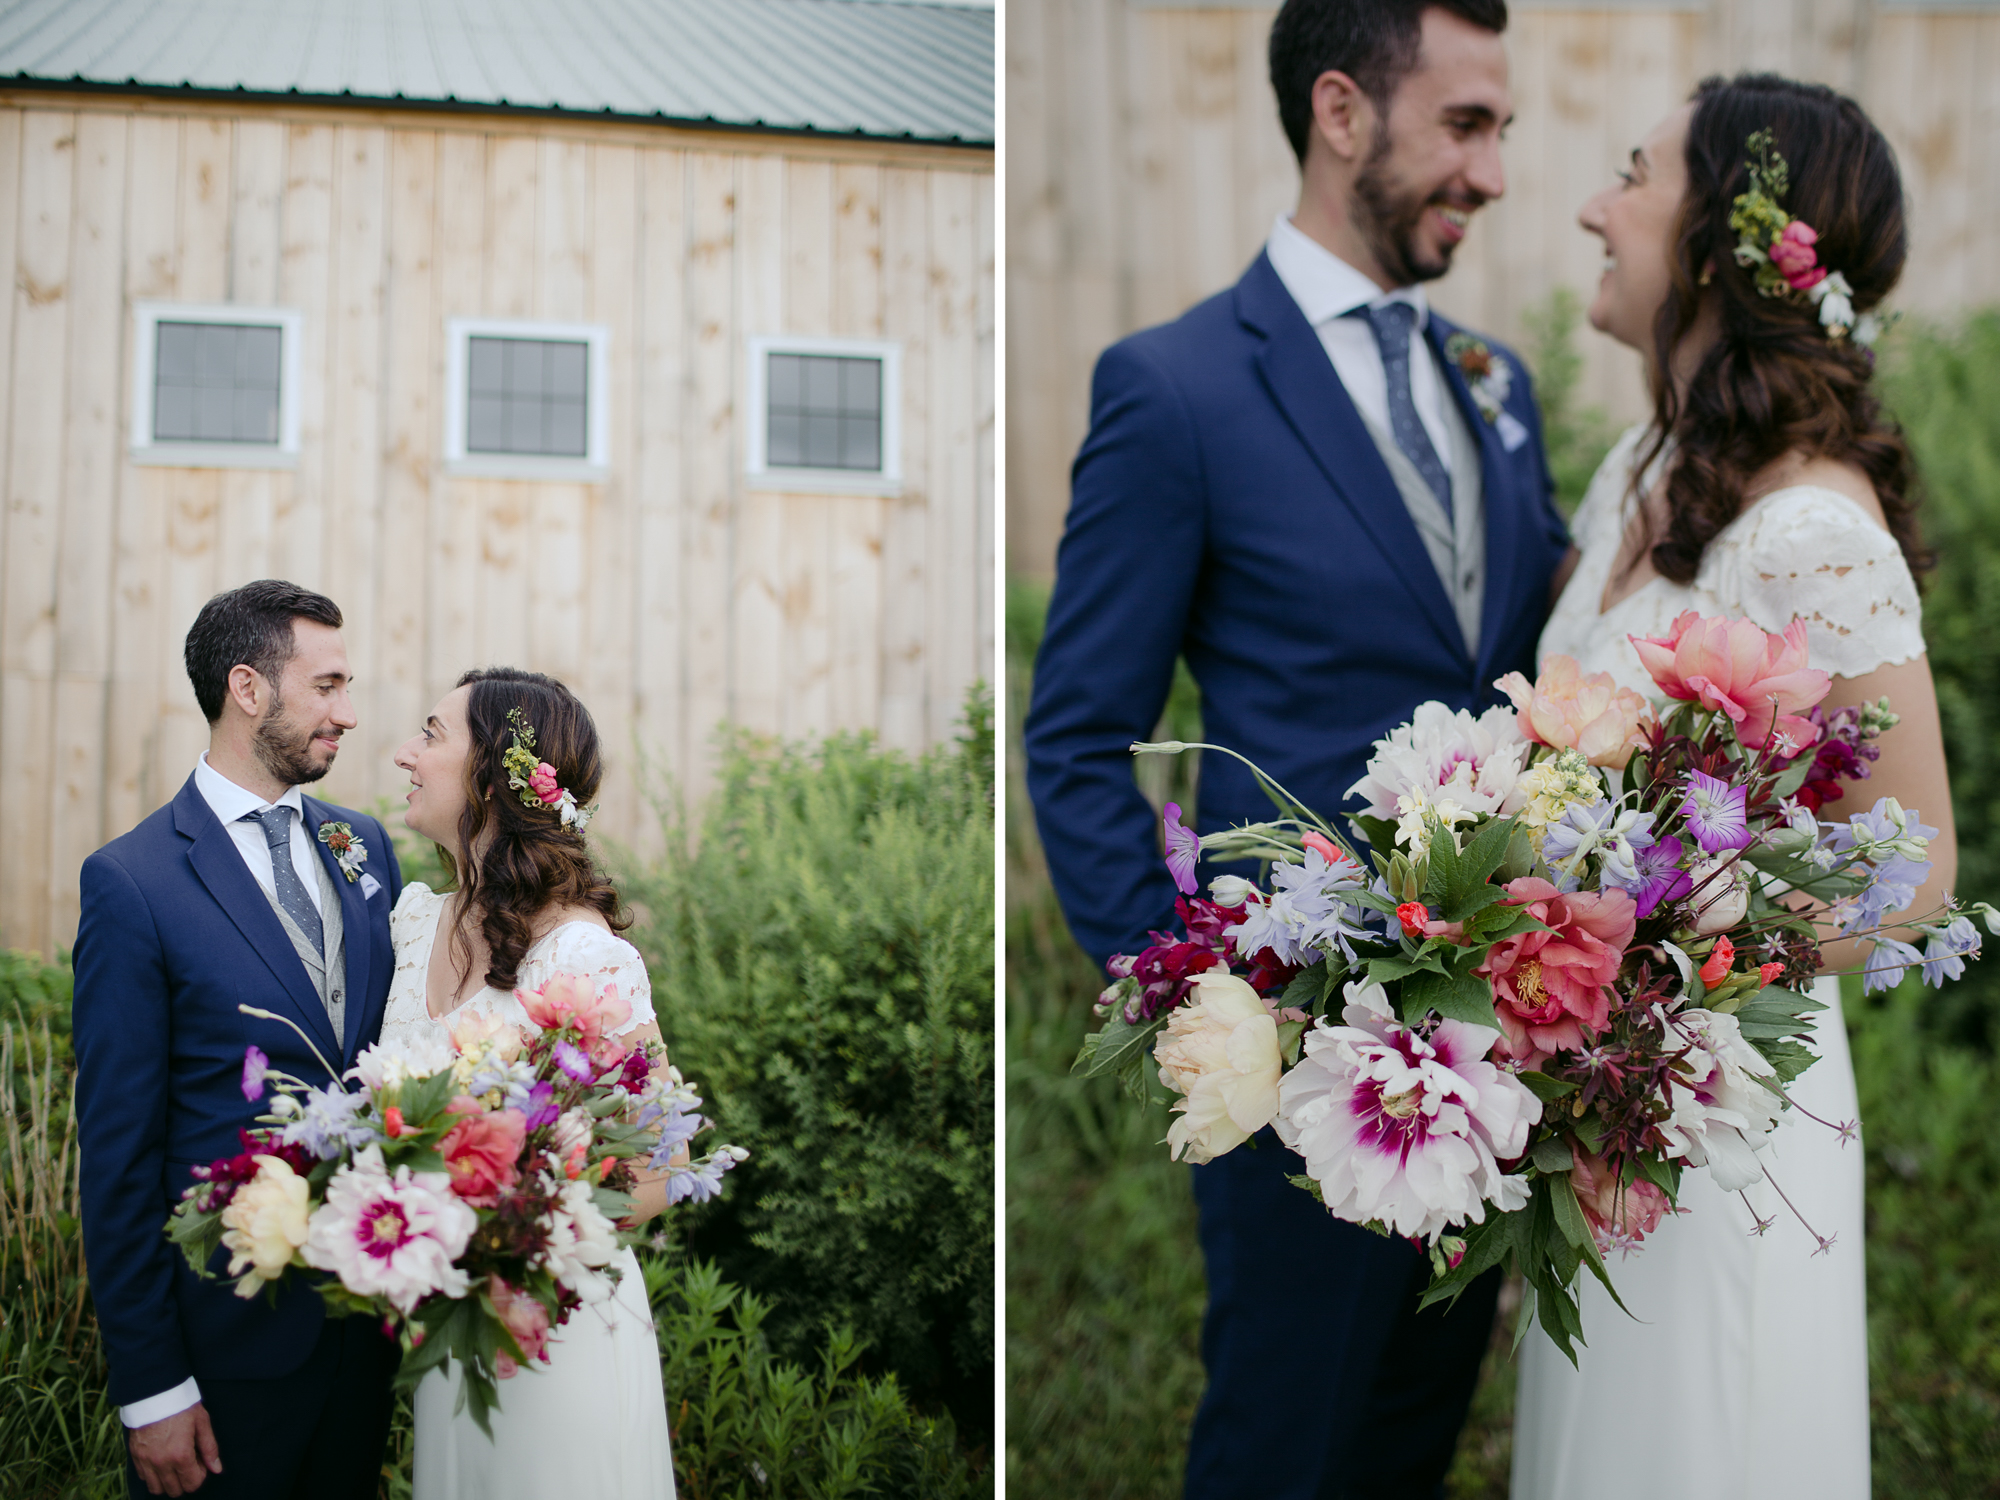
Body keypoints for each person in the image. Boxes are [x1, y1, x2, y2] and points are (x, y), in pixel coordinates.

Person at [1022, 1, 1571, 1492]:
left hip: (1494, 1047)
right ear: (1343, 113)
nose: (1497, 170)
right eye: (1467, 125)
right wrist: (1203, 998)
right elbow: (1076, 738)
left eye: (1501, 129)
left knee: (1411, 1436)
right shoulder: (1179, 387)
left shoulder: (1495, 388)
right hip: (1302, 1058)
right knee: (1285, 1446)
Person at [1512, 73, 1955, 1498]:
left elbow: (1919, 865)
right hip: (1604, 1113)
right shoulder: (1639, 470)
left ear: (1714, 244)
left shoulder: (1814, 531)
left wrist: (1654, 969)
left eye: (1629, 175)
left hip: (1719, 1121)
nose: (1592, 203)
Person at [74, 580, 405, 1499]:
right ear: (248, 688)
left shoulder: (363, 846)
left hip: (362, 1333)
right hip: (222, 1359)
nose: (347, 713)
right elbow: (117, 1158)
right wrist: (151, 1390)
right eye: (328, 685)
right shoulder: (134, 883)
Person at [383, 668, 676, 1498]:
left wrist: (503, 1237)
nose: (406, 753)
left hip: (555, 1329)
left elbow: (655, 1171)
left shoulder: (583, 957)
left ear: (492, 778)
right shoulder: (411, 923)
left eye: (433, 735)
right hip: (452, 1329)